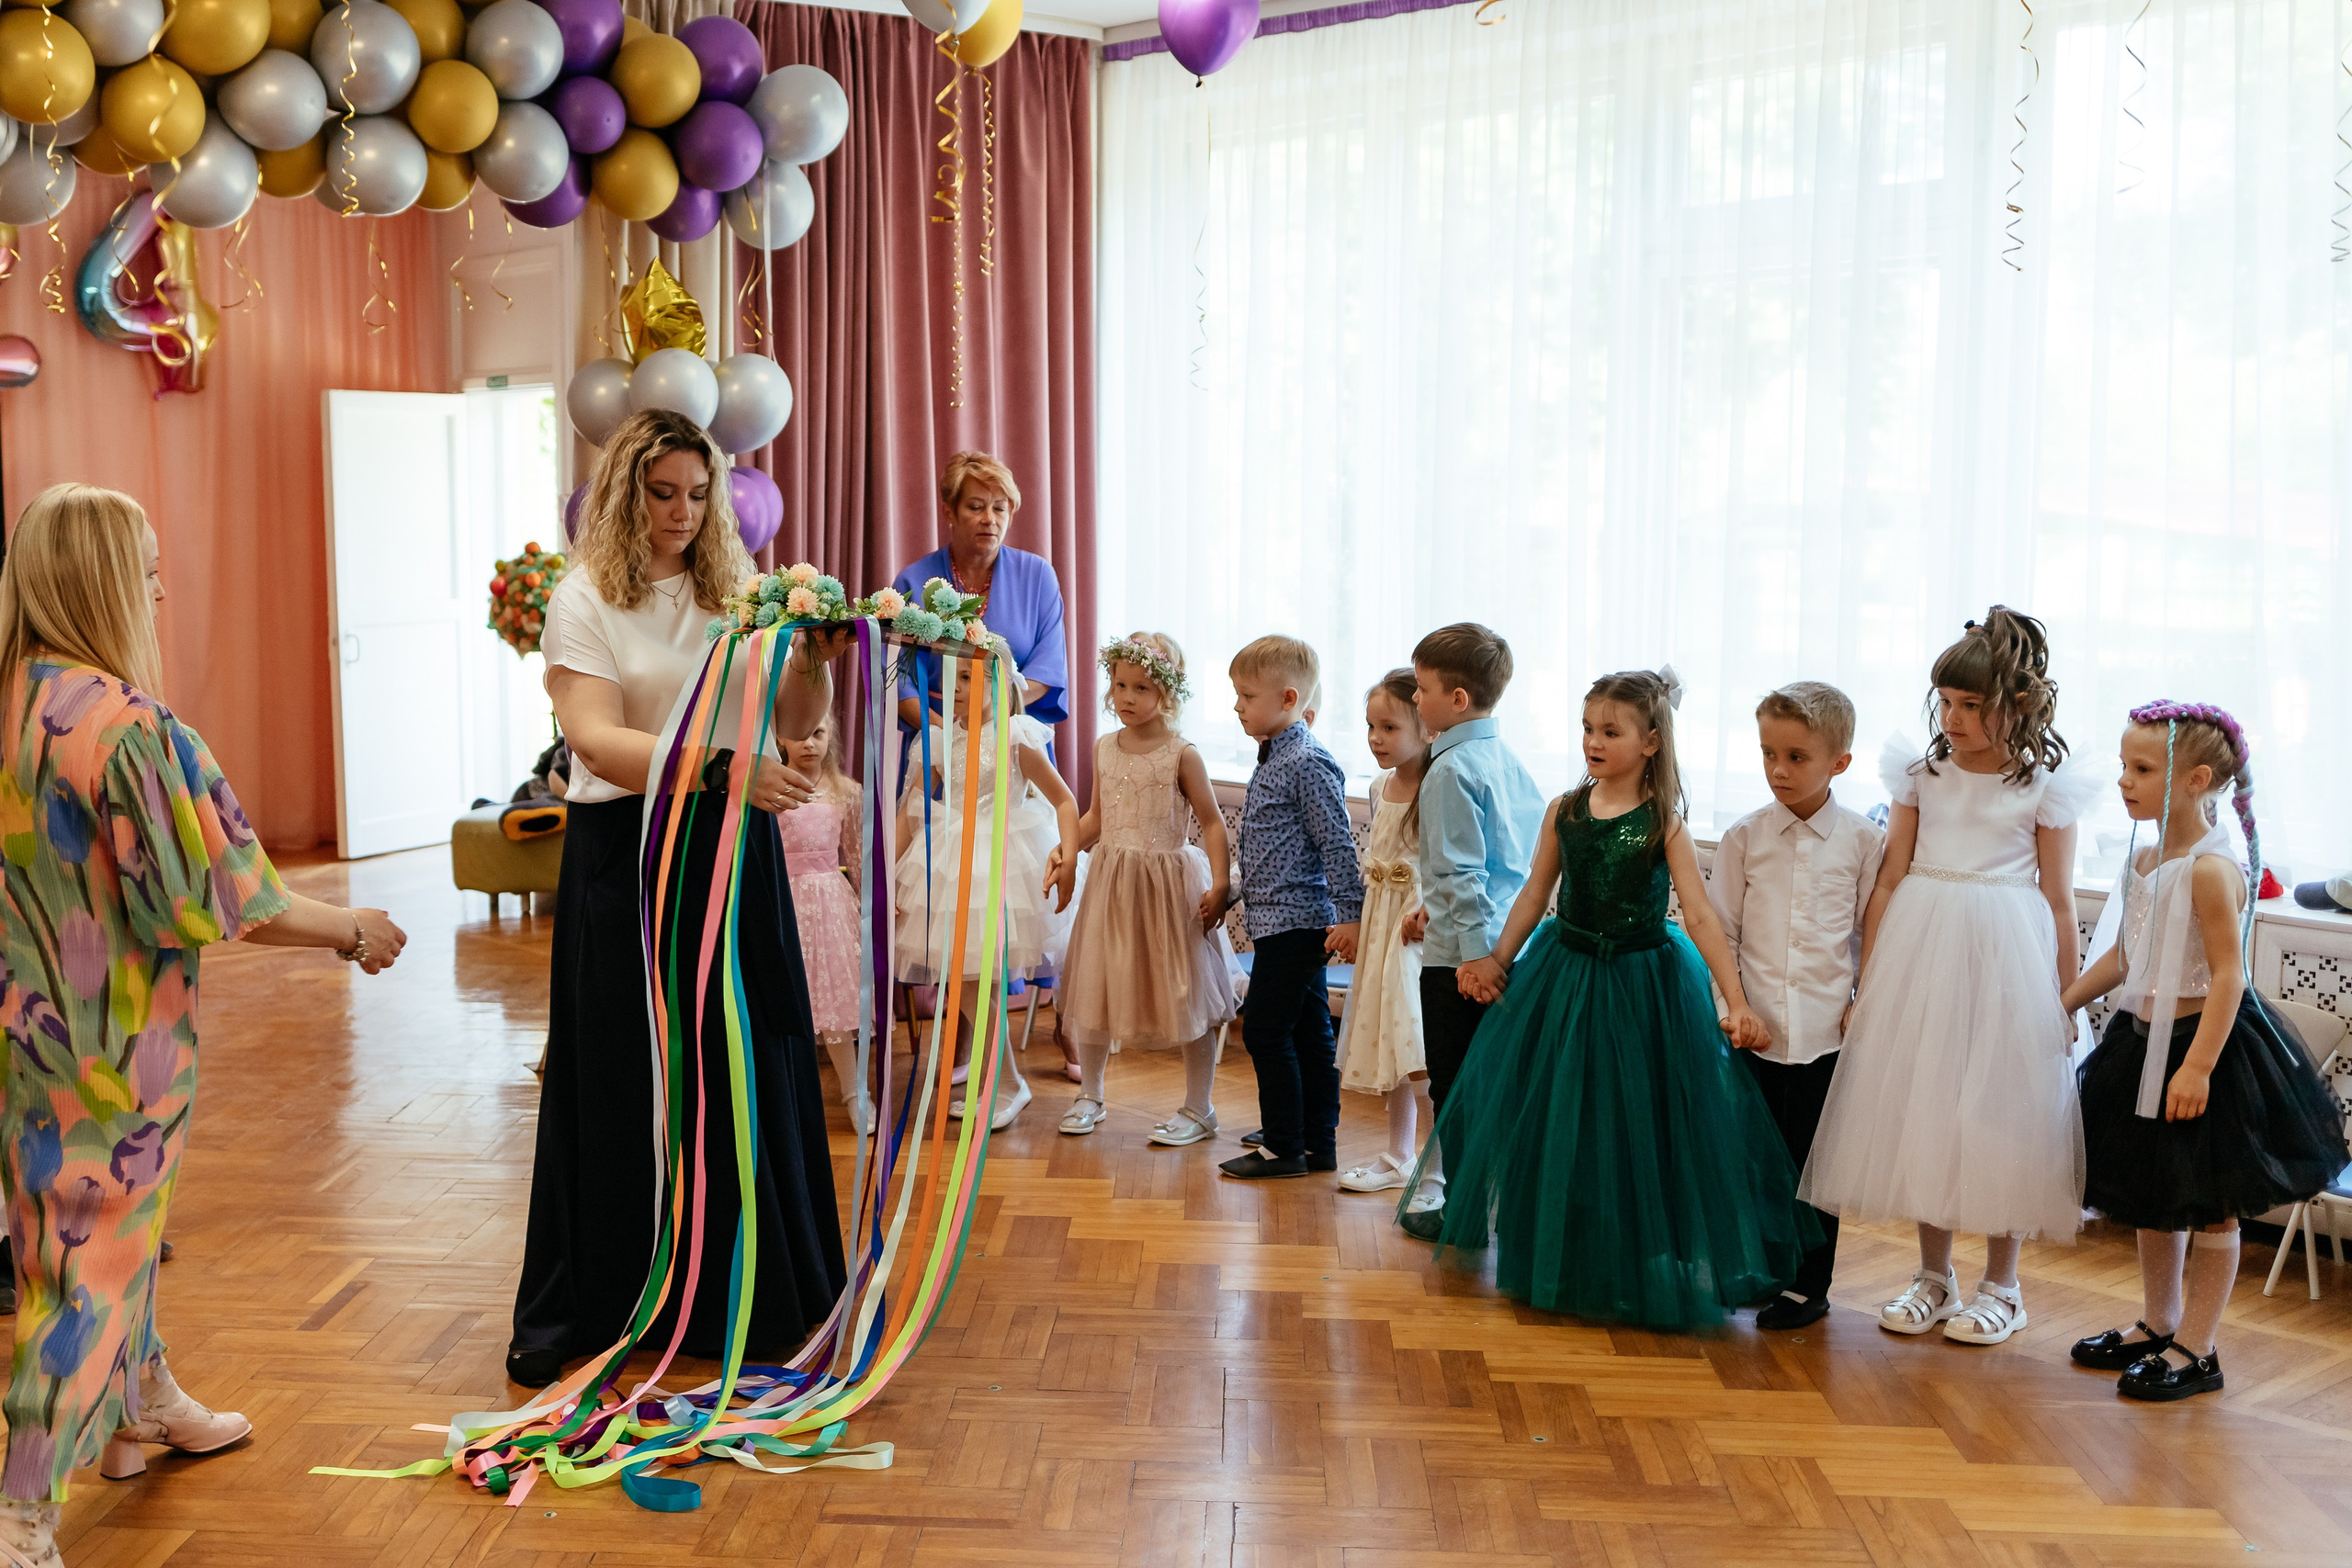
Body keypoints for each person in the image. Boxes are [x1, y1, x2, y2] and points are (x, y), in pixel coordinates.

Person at [0, 484, 408, 1568]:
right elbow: (220, 896)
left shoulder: (11, 702)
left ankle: (139, 1404)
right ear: (99, 582)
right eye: (144, 568)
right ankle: (22, 1510)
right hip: (117, 1050)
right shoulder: (128, 728)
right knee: (85, 1267)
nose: (161, 587)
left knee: (82, 1243)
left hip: (23, 1038)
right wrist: (352, 928)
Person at [508, 411, 848, 1390]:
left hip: (727, 849)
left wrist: (815, 664)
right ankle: (594, 1300)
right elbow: (593, 737)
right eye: (663, 494)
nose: (682, 514)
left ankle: (749, 1293)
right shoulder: (582, 598)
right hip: (627, 848)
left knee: (735, 1067)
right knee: (618, 1068)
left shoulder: (738, 590)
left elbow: (795, 721)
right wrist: (713, 771)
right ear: (624, 492)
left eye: (698, 496)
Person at [1403, 669, 1811, 1329]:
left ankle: (1629, 1261)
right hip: (1564, 979)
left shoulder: (1663, 823)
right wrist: (1495, 959)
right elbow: (1536, 894)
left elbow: (1702, 917)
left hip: (1643, 985)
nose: (1594, 740)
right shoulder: (1565, 809)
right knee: (1565, 1120)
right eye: (1588, 728)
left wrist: (1734, 1000)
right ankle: (1563, 1255)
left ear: (1651, 741)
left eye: (1611, 730)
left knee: (1634, 1126)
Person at [1800, 607, 2101, 1347]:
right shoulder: (1920, 772)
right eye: (1946, 701)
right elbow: (1891, 875)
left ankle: (2004, 1282)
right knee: (1927, 1101)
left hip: (2010, 956)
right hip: (1922, 949)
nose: (1953, 716)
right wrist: (1866, 980)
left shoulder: (2042, 787)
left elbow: (2061, 902)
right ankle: (1934, 1275)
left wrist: (2066, 999)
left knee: (2002, 1109)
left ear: (2019, 704)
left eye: (1972, 704)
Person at [2063, 702, 2346, 1401]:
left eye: (2141, 768)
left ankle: (2201, 1345)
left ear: (2195, 779)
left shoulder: (2211, 870)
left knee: (2210, 1200)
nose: (2124, 780)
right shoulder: (2146, 856)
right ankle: (2159, 1321)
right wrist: (2063, 999)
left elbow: (2229, 975)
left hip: (2206, 1048)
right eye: (2123, 766)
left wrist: (2197, 1067)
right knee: (2157, 1193)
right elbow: (2130, 956)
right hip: (2140, 1045)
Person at [1704, 682, 1886, 1330]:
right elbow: (1719, 928)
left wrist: (1862, 999)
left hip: (1826, 1034)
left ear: (1839, 762)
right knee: (1755, 1156)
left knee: (1817, 1163)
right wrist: (1734, 1003)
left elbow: (1871, 932)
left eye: (1796, 757)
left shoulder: (1865, 842)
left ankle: (1810, 1284)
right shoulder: (1745, 836)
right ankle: (1762, 1268)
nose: (1779, 770)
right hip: (1754, 1031)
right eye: (1768, 754)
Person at [1049, 634, 1238, 1142]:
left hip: (1167, 889)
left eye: (1141, 687)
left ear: (1168, 693)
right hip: (1112, 886)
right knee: (1098, 986)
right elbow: (1097, 818)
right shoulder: (1105, 748)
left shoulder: (1183, 754)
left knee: (1185, 992)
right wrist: (1067, 849)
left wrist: (1221, 883)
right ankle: (1090, 1092)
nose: (1127, 697)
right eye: (1119, 685)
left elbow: (1212, 822)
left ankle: (1199, 1107)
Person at [894, 644, 1079, 1131]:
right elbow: (911, 809)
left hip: (1001, 859)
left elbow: (1063, 800)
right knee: (968, 981)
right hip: (950, 864)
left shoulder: (1015, 738)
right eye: (952, 680)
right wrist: (890, 872)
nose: (955, 691)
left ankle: (1009, 1083)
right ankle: (995, 1082)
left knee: (976, 983)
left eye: (968, 681)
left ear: (1000, 684)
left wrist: (1069, 856)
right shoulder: (938, 741)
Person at [1398, 624, 1544, 1237]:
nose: (1414, 699)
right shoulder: (1505, 759)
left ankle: (1462, 1213)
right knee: (1499, 1087)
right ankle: (1503, 1209)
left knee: (1455, 1088)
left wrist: (1477, 961)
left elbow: (1461, 872)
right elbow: (1518, 863)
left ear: (1458, 699)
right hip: (1516, 947)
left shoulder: (1450, 767)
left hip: (1463, 961)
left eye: (1422, 688)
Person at [1215, 637, 1363, 1180]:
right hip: (1278, 920)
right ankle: (1313, 1139)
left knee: (1265, 1030)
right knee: (1306, 1028)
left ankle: (1285, 1146)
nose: (1237, 706)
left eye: (1246, 695)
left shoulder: (1306, 762)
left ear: (1288, 698)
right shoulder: (1276, 755)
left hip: (1299, 922)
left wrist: (1350, 915)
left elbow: (1338, 845)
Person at [1332, 671, 1435, 1195]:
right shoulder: (1378, 786)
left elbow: (1446, 866)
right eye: (1371, 726)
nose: (1376, 738)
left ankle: (1436, 1168)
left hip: (1414, 933)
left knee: (1418, 1048)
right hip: (1379, 924)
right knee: (1392, 1043)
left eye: (1389, 727)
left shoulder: (1438, 787)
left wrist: (1424, 912)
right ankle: (1398, 1154)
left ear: (1428, 726)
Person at [893, 451, 1070, 735]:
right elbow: (900, 683)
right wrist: (951, 737)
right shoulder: (912, 581)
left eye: (999, 508)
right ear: (949, 510)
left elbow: (1048, 670)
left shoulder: (1038, 576)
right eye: (976, 507)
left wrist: (989, 724)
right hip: (938, 740)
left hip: (1014, 738)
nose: (989, 519)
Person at [779, 713, 874, 1136]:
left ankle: (855, 1093)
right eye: (799, 734)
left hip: (830, 905)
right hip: (783, 904)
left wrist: (869, 905)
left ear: (830, 735)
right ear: (780, 736)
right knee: (787, 1000)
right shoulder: (770, 789)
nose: (808, 744)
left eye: (817, 733)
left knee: (834, 1002)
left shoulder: (845, 792)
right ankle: (786, 1097)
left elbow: (855, 855)